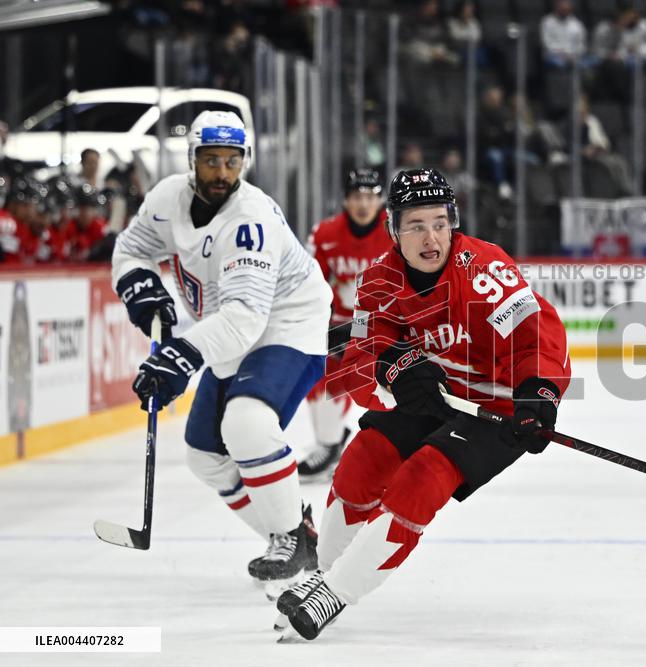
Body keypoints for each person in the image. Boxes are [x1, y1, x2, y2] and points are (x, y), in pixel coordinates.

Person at [274, 168, 571, 640]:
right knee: (361, 461)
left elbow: (536, 339)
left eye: (439, 222)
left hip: (497, 408)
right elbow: (365, 352)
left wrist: (539, 394)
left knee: (421, 478)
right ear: (394, 230)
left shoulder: (485, 269)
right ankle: (324, 572)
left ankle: (335, 592)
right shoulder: (379, 279)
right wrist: (395, 367)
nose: (431, 237)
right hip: (440, 396)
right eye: (415, 225)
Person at [111, 110, 333, 585]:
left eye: (232, 162)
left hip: (287, 322)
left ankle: (289, 536)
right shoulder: (167, 198)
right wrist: (138, 284)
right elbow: (130, 249)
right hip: (232, 325)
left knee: (247, 422)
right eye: (211, 161)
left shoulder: (250, 219)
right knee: (205, 455)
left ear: (245, 162)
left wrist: (180, 355)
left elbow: (246, 319)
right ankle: (296, 538)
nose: (222, 173)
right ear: (192, 159)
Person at [299, 168, 393, 482]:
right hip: (339, 324)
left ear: (380, 200)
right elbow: (309, 285)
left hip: (386, 324)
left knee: (394, 384)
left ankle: (393, 450)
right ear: (345, 200)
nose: (363, 204)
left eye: (370, 196)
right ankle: (329, 442)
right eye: (356, 197)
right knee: (318, 372)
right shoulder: (325, 235)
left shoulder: (395, 233)